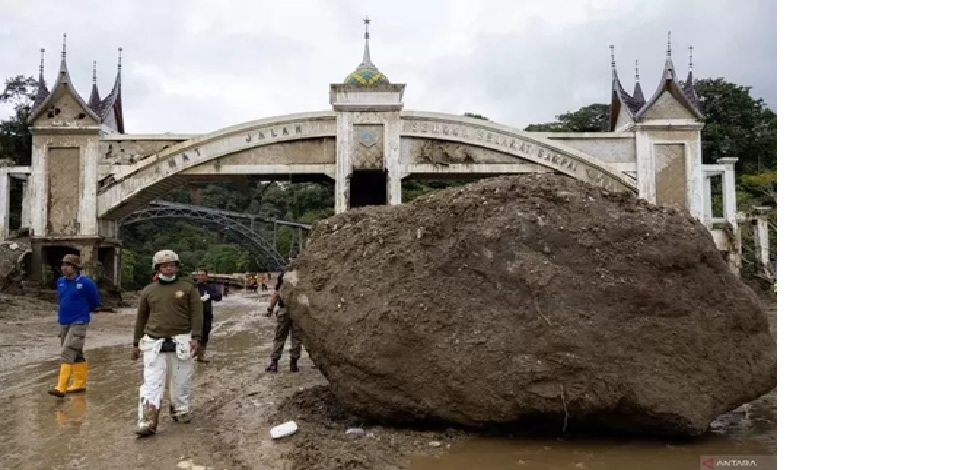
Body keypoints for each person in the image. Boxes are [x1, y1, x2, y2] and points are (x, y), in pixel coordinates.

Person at [131, 249, 203, 437]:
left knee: (182, 379)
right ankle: (147, 420)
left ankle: (180, 410)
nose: (168, 268)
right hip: (154, 342)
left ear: (177, 267)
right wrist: (135, 343)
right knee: (152, 383)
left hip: (182, 340)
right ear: (157, 268)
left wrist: (196, 338)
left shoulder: (188, 289)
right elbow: (141, 318)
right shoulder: (148, 291)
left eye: (171, 265)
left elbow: (197, 314)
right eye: (164, 265)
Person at [48, 254, 101, 398]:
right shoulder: (60, 282)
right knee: (76, 352)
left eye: (68, 265)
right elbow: (62, 299)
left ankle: (61, 386)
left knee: (68, 350)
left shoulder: (85, 283)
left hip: (79, 321)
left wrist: (83, 310)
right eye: (63, 264)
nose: (64, 267)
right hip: (64, 321)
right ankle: (79, 383)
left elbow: (95, 301)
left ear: (76, 268)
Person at [264, 270, 302, 373]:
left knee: (279, 337)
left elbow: (276, 294)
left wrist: (270, 309)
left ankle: (274, 364)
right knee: (296, 338)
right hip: (297, 311)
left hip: (283, 310)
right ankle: (293, 364)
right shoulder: (300, 274)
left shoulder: (284, 275)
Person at [193, 269, 223, 363]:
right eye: (199, 275)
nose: (201, 277)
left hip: (207, 315)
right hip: (194, 316)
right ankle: (191, 353)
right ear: (196, 276)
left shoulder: (210, 287)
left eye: (203, 275)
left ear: (206, 276)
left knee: (205, 335)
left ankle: (200, 356)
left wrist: (210, 296)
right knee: (193, 335)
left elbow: (219, 297)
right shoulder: (192, 287)